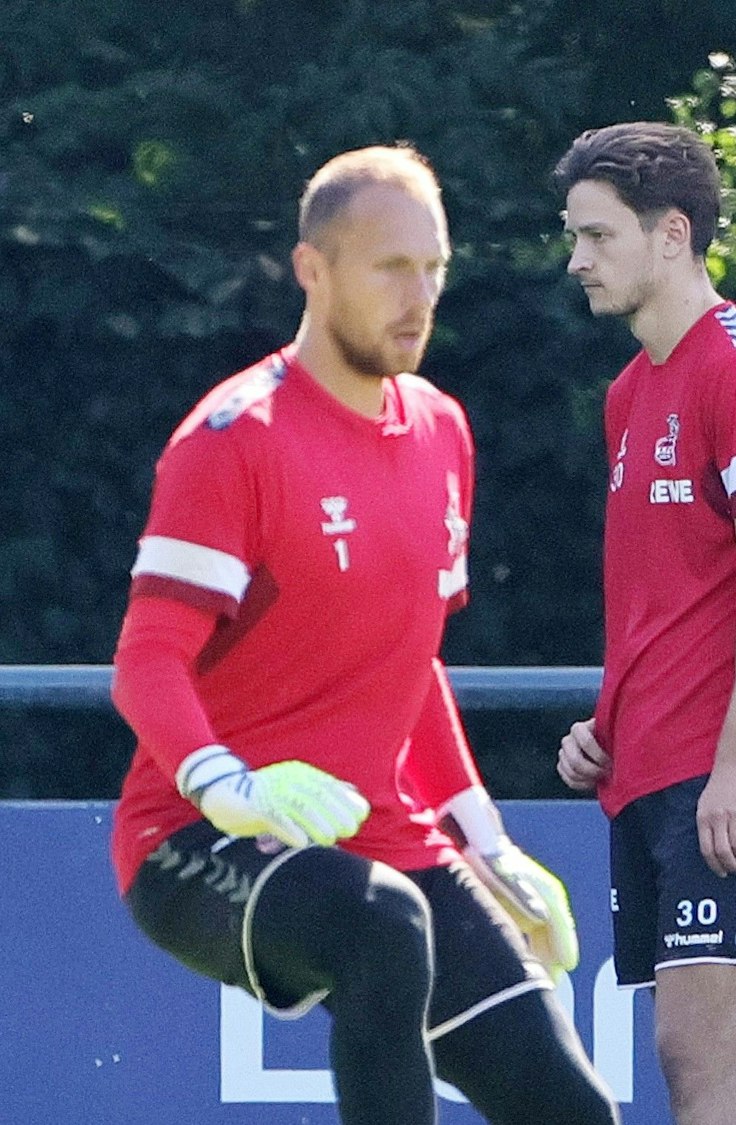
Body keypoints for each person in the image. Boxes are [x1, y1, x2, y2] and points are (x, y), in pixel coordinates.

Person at [109, 144, 620, 1124]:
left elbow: (408, 654)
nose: (419, 294)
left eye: (433, 267)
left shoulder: (442, 429)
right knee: (383, 924)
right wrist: (232, 788)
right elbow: (145, 661)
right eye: (391, 267)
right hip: (195, 840)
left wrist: (486, 841)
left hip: (389, 840)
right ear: (313, 270)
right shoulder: (235, 439)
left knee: (571, 1110)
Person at [550, 122, 736, 1125]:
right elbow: (667, 595)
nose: (576, 259)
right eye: (573, 235)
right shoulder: (630, 394)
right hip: (654, 761)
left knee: (692, 1043)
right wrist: (607, 727)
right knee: (731, 1045)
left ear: (671, 234)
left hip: (733, 766)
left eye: (596, 235)